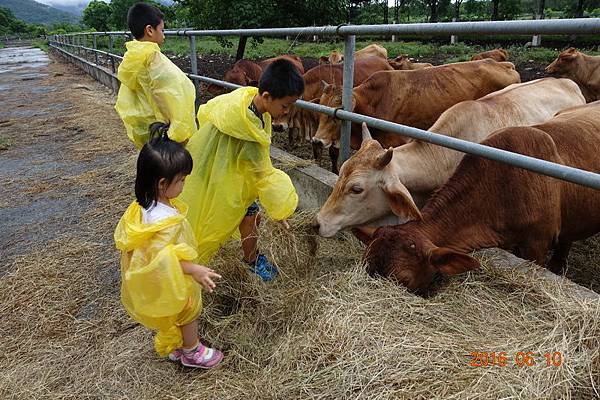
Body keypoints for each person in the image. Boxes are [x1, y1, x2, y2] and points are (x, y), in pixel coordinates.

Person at [179, 59, 304, 281]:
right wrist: (281, 210)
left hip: (211, 164)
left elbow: (207, 112)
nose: (287, 111)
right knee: (245, 215)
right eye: (285, 106)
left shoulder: (243, 98)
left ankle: (249, 257)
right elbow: (264, 175)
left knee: (244, 214)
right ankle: (250, 260)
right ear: (266, 96)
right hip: (229, 176)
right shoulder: (250, 133)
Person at [114, 124, 223, 369]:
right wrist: (194, 269)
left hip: (159, 277)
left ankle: (176, 345)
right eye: (182, 180)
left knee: (172, 311)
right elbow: (163, 255)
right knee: (188, 309)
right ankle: (192, 350)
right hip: (170, 275)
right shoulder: (162, 219)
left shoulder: (144, 207)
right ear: (163, 184)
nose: (184, 184)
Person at [115, 3, 197, 149]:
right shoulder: (154, 60)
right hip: (167, 137)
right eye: (162, 30)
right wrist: (179, 134)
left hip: (149, 135)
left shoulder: (131, 58)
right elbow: (173, 96)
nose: (164, 36)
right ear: (150, 30)